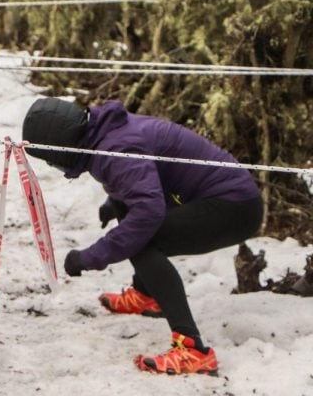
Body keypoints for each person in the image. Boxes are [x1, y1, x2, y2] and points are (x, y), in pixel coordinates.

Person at [21, 97, 263, 375]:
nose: (55, 167)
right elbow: (144, 178)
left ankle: (193, 350)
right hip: (221, 197)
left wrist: (89, 257)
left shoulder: (114, 149)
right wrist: (116, 201)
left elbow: (146, 215)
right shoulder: (104, 133)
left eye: (51, 159)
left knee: (143, 240)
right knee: (133, 219)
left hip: (235, 207)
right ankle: (147, 294)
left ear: (63, 148)